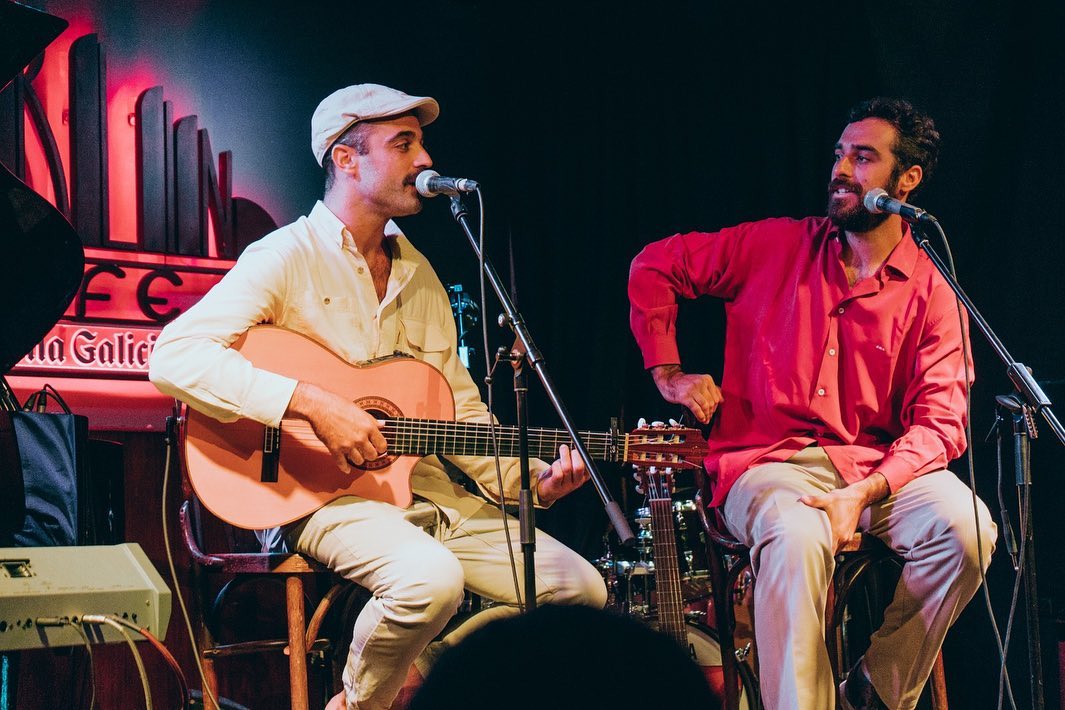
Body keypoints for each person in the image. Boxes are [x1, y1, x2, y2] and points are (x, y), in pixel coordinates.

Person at [150, 83, 606, 710]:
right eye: (404, 143)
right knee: (429, 581)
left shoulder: (421, 276)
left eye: (421, 143)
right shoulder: (284, 256)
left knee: (581, 592)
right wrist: (310, 402)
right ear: (346, 159)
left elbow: (460, 413)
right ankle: (360, 703)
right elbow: (174, 357)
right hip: (312, 493)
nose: (425, 160)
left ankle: (426, 679)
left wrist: (532, 480)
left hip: (424, 493)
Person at [627, 97, 997, 710]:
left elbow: (942, 424)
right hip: (765, 463)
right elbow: (654, 265)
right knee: (796, 532)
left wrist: (865, 491)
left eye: (863, 157)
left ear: (906, 181)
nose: (841, 169)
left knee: (969, 530)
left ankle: (874, 691)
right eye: (838, 153)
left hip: (873, 470)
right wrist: (668, 373)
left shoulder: (934, 289)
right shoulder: (776, 246)